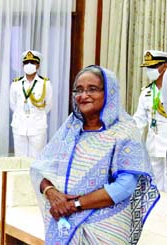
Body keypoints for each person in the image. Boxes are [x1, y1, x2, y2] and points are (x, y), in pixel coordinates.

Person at [30, 65, 159, 244]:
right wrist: (51, 192)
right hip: (64, 220)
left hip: (107, 225)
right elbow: (39, 169)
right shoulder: (70, 127)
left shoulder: (124, 131)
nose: (84, 96)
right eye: (79, 90)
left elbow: (125, 186)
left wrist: (74, 205)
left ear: (109, 93)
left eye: (92, 89)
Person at [133, 50, 167, 191]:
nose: (149, 71)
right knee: (154, 188)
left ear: (164, 66)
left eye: (153, 67)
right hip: (153, 146)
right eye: (148, 67)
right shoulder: (146, 92)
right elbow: (139, 121)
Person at [9, 50, 52, 158]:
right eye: (26, 63)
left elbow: (48, 105)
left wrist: (36, 115)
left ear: (38, 65)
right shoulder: (16, 83)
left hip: (37, 126)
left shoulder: (45, 83)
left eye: (32, 63)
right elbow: (13, 104)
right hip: (19, 125)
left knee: (37, 157)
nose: (29, 65)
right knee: (19, 158)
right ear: (23, 65)